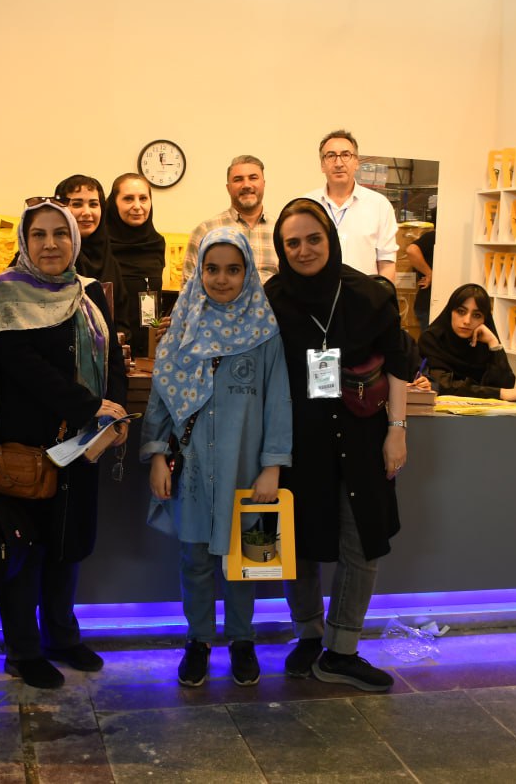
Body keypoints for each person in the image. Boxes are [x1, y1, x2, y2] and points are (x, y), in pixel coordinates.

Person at [264, 197, 409, 693]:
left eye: (314, 238)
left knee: (361, 541)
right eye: (292, 243)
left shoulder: (368, 294)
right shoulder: (272, 299)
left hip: (362, 436)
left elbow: (398, 362)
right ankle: (309, 635)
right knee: (299, 543)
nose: (304, 250)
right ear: (281, 249)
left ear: (331, 238)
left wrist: (397, 429)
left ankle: (342, 649)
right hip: (297, 438)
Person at [0, 197, 129, 689]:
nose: (50, 244)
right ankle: (23, 651)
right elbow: (21, 364)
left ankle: (62, 637)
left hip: (82, 446)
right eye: (39, 234)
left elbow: (112, 360)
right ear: (24, 242)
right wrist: (90, 406)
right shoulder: (6, 292)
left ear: (75, 239)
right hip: (27, 448)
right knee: (24, 552)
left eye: (60, 233)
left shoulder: (89, 293)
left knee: (68, 545)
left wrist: (114, 410)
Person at [141, 227, 291, 688]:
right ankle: (199, 640)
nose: (222, 279)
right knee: (195, 560)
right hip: (192, 467)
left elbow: (277, 401)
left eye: (233, 269)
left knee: (246, 560)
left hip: (247, 468)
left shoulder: (264, 333)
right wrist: (156, 455)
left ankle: (242, 639)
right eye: (212, 269)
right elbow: (162, 396)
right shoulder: (184, 327)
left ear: (248, 273)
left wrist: (272, 467)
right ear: (199, 272)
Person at [305, 129, 398, 279]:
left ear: (356, 162)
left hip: (363, 293)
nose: (338, 163)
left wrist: (382, 294)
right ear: (322, 164)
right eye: (331, 156)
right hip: (317, 292)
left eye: (346, 155)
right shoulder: (307, 205)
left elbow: (386, 263)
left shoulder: (379, 205)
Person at [418, 283, 516, 402]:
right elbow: (444, 386)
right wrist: (498, 393)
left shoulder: (484, 341)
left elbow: (506, 385)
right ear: (450, 312)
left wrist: (494, 344)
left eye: (476, 315)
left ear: (485, 319)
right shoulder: (432, 339)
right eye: (461, 311)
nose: (467, 321)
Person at [180, 155, 277, 285]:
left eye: (253, 178)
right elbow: (189, 289)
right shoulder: (205, 231)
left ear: (263, 184)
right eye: (238, 179)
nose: (246, 185)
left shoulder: (281, 230)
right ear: (228, 188)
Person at [105, 172, 167, 355]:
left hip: (149, 350)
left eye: (143, 198)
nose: (138, 206)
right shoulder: (101, 246)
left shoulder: (157, 243)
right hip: (111, 348)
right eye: (128, 199)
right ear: (114, 203)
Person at [55, 173, 127, 327]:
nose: (87, 212)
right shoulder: (46, 254)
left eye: (94, 204)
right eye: (77, 204)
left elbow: (121, 319)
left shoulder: (109, 259)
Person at [406, 228, 434, 334]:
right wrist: (430, 274)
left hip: (430, 304)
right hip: (429, 304)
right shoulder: (434, 236)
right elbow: (411, 250)